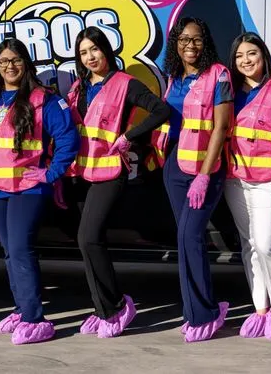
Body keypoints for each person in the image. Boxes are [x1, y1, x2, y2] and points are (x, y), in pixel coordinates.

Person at [0, 38, 80, 345]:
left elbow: (69, 139)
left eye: (16, 60)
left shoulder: (44, 100)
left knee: (20, 249)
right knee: (9, 251)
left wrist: (51, 173)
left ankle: (35, 318)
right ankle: (21, 309)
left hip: (27, 189)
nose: (10, 66)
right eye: (4, 61)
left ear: (26, 64)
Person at [66, 27, 170, 338]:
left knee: (88, 238)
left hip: (111, 170)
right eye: (83, 52)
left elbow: (162, 110)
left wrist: (129, 136)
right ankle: (102, 309)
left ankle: (118, 307)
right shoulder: (79, 87)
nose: (90, 57)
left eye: (94, 49)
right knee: (87, 243)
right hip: (82, 172)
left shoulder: (126, 83)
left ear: (106, 50)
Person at [147, 17, 233, 343]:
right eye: (184, 39)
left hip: (204, 168)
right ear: (176, 44)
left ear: (205, 42)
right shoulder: (175, 77)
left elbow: (221, 127)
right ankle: (199, 309)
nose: (190, 45)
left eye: (196, 39)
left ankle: (203, 315)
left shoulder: (219, 75)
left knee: (190, 236)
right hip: (175, 167)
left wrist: (204, 175)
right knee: (185, 240)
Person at [224, 32, 271, 340]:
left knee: (268, 246)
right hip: (236, 180)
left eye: (252, 53)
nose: (246, 60)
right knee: (250, 246)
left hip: (270, 180)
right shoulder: (229, 92)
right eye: (239, 56)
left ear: (263, 56)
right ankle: (261, 309)